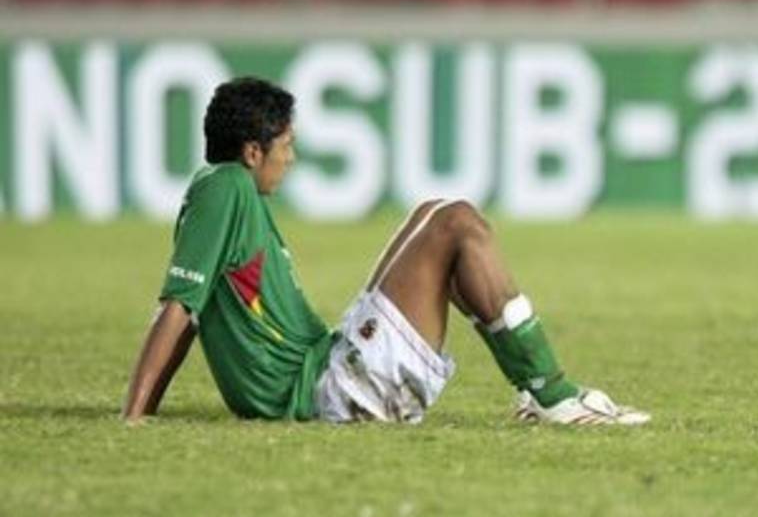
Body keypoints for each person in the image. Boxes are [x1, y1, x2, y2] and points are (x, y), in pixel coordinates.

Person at [122, 77, 650, 426]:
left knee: (432, 211)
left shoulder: (223, 192)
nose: (293, 157)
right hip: (331, 392)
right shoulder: (226, 188)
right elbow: (180, 308)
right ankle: (554, 395)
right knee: (458, 223)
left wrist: (143, 412)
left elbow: (190, 312)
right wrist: (135, 416)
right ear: (253, 151)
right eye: (287, 145)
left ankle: (538, 394)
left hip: (329, 368)